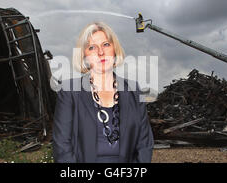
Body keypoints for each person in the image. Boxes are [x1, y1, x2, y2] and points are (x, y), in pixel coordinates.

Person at [52, 22, 154, 163]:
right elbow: (62, 146)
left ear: (114, 48)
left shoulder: (133, 90)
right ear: (84, 56)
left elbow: (144, 143)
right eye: (92, 47)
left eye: (106, 44)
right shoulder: (69, 91)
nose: (101, 52)